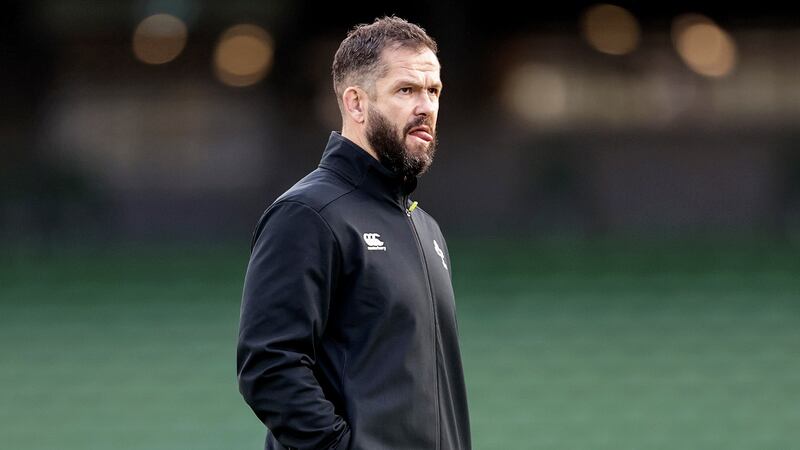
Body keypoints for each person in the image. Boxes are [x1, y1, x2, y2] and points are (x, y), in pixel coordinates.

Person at [237, 16, 471, 450]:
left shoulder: (426, 229)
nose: (426, 107)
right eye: (406, 90)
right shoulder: (307, 214)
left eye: (433, 91)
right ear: (356, 103)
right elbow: (269, 367)